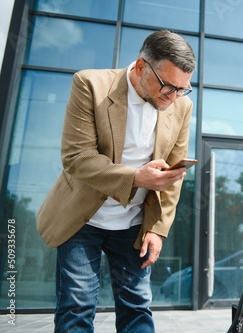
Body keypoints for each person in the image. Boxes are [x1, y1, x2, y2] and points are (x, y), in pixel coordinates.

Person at [36, 30, 196, 333]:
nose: (174, 97)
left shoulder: (181, 107)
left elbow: (172, 178)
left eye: (182, 89)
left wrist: (157, 230)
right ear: (140, 67)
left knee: (137, 308)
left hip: (134, 224)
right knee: (77, 308)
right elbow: (77, 157)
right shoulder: (90, 85)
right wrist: (136, 177)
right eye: (167, 87)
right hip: (82, 219)